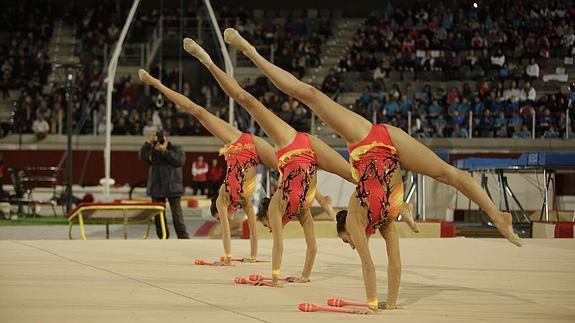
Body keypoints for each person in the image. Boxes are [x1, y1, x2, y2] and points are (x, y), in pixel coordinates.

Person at [225, 27, 521, 312]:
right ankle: (491, 215)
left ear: (347, 230)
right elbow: (394, 264)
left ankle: (498, 216)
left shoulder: (356, 218)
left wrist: (371, 306)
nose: (353, 245)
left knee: (311, 95)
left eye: (347, 242)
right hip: (388, 151)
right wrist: (388, 304)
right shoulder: (384, 221)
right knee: (443, 176)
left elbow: (368, 264)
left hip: (367, 139)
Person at [182, 37, 359, 284]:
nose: (268, 228)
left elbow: (279, 246)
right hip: (306, 152)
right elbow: (311, 248)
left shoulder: (278, 206)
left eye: (265, 224)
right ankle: (209, 59)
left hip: (292, 144)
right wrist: (303, 277)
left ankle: (235, 53)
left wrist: (275, 278)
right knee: (355, 175)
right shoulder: (302, 212)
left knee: (249, 102)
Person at [138, 69, 277, 263]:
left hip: (238, 143)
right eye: (221, 218)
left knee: (199, 112)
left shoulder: (223, 197)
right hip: (251, 149)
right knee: (198, 112)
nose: (224, 218)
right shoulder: (243, 201)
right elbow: (252, 231)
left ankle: (161, 81)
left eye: (220, 217)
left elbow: (229, 232)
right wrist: (250, 256)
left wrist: (230, 257)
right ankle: (159, 82)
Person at [139, 131, 190, 239]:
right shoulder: (153, 150)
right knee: (158, 215)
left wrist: (165, 151)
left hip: (173, 187)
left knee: (177, 215)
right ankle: (163, 236)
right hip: (157, 187)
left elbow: (179, 161)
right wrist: (148, 143)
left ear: (167, 139)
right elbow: (142, 157)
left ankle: (183, 237)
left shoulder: (176, 148)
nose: (160, 142)